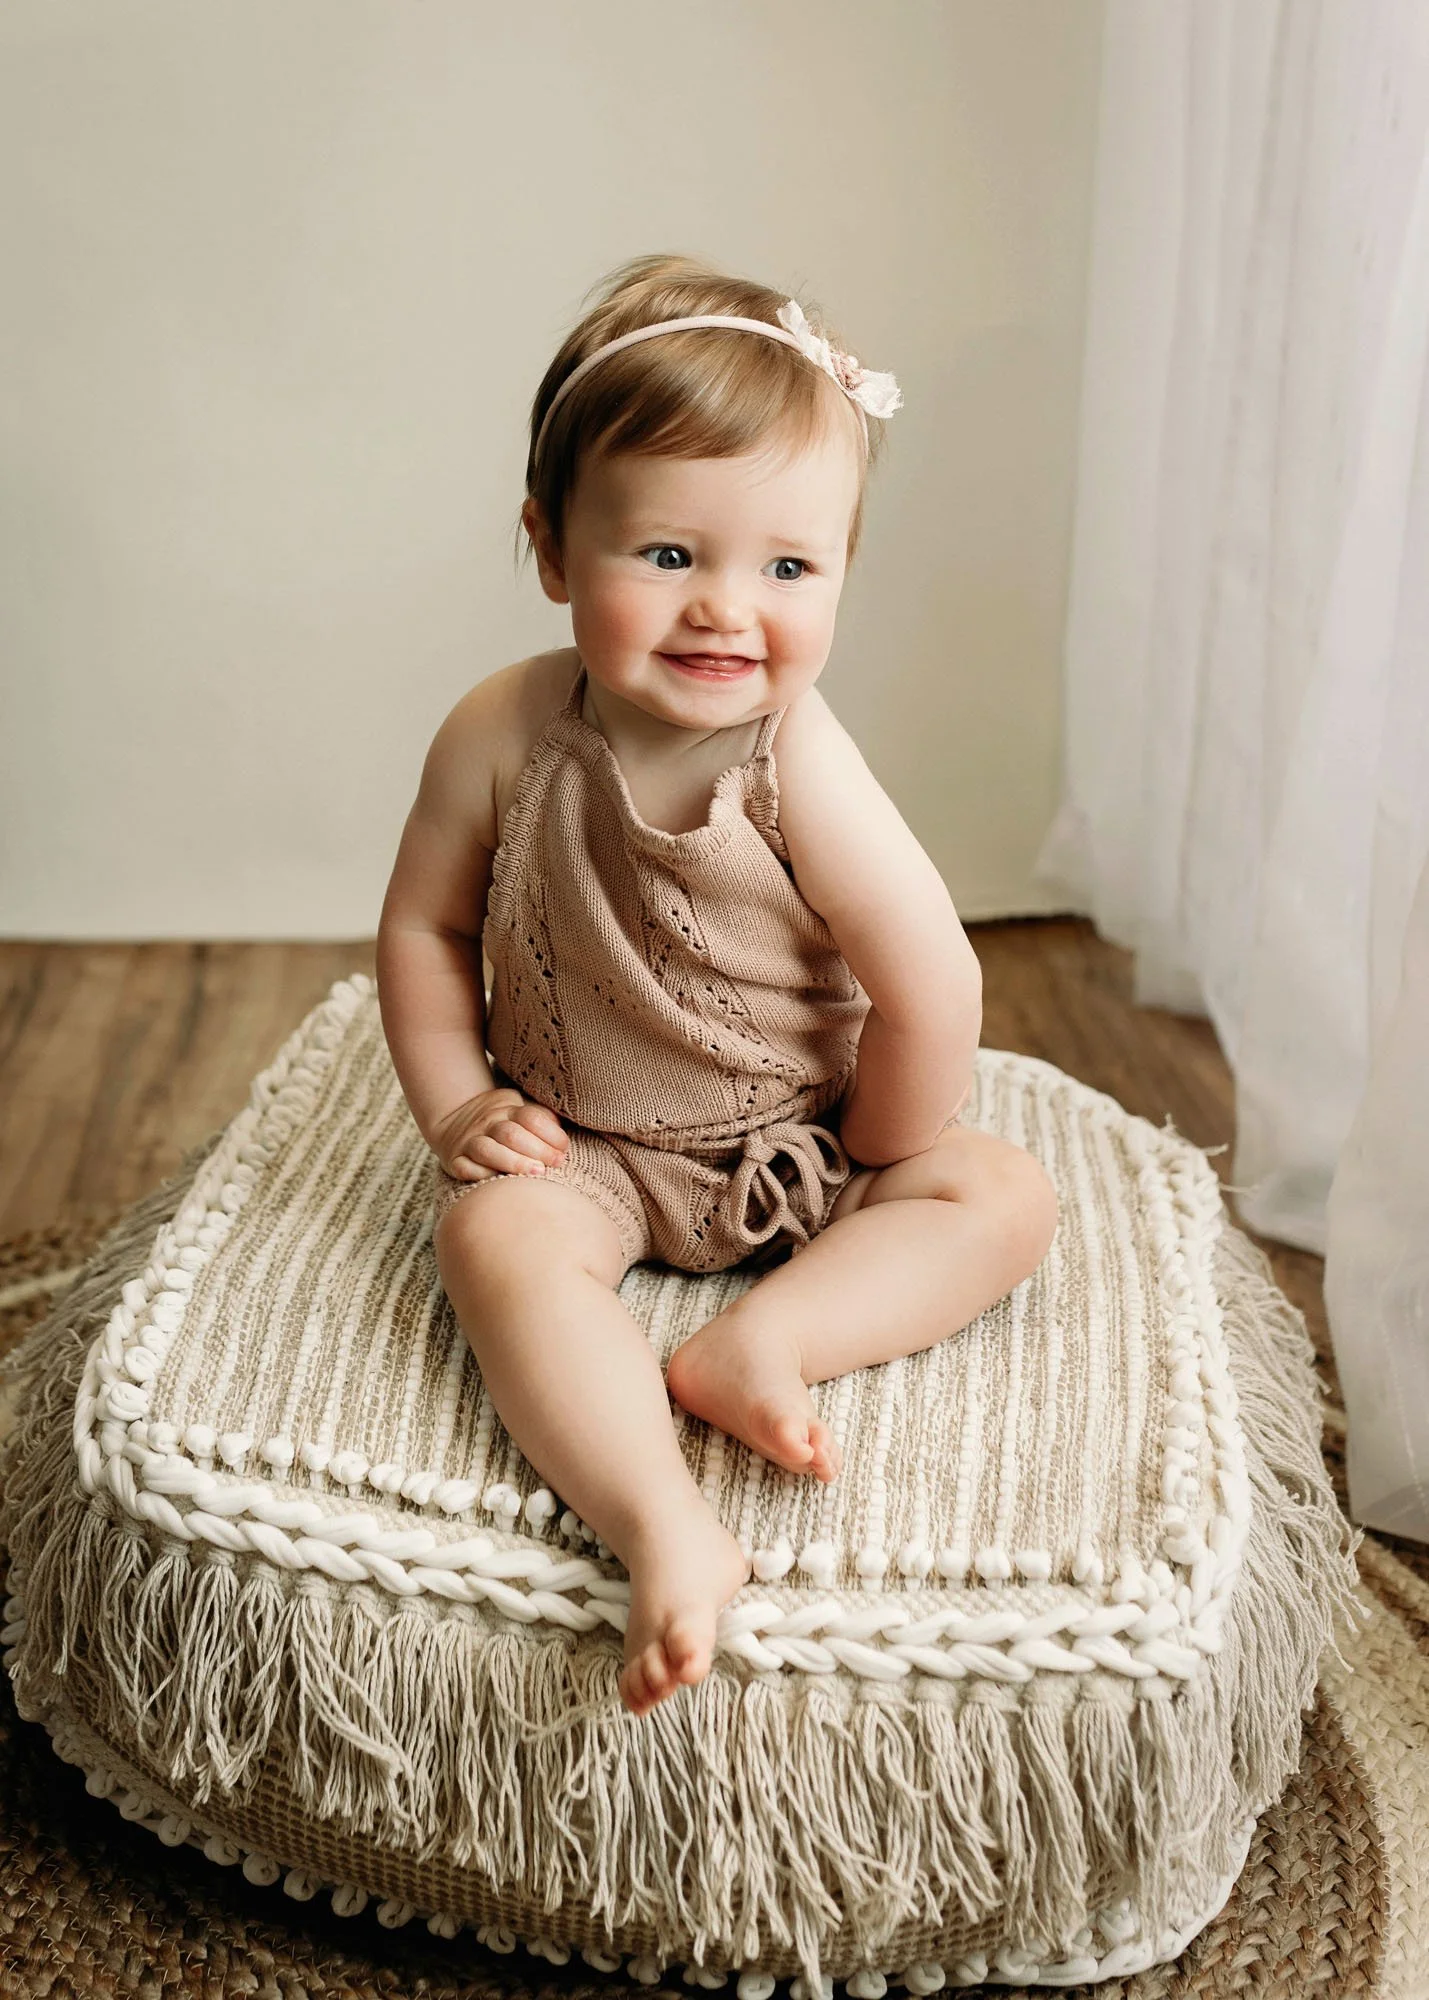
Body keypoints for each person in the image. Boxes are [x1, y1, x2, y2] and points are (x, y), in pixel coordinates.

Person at [376, 252, 1059, 1719]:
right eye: (670, 555)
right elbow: (426, 930)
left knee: (1002, 1195)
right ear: (552, 547)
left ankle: (767, 1341)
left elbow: (933, 981)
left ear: (842, 569)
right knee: (492, 1241)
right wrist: (458, 1104)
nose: (725, 613)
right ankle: (660, 1522)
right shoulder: (499, 732)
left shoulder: (797, 756)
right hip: (589, 1141)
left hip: (798, 1139)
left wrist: (881, 1145)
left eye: (788, 569)